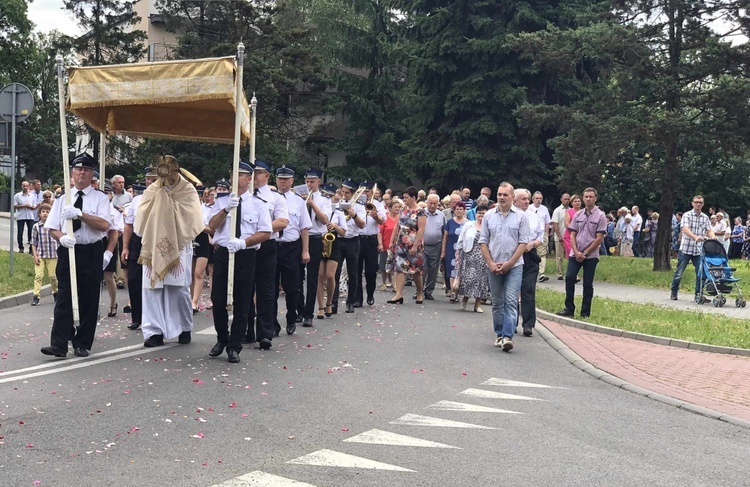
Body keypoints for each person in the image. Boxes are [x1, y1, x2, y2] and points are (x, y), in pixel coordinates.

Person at [41, 153, 111, 358]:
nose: (82, 172)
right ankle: (59, 344)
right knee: (64, 297)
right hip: (69, 250)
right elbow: (52, 227)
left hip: (91, 250)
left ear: (92, 175)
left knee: (89, 298)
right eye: (79, 169)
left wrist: (81, 215)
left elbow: (104, 225)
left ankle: (82, 343)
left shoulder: (100, 199)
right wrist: (62, 238)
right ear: (72, 173)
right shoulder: (64, 199)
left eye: (86, 170)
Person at [135, 156, 204, 348]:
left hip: (179, 246)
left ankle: (184, 327)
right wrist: (160, 200)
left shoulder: (187, 190)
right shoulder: (151, 190)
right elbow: (141, 217)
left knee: (178, 289)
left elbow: (194, 217)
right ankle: (154, 332)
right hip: (152, 245)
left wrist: (168, 204)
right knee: (152, 289)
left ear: (176, 171)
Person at [208, 161, 272, 363]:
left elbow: (265, 232)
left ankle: (234, 346)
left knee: (242, 301)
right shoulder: (221, 201)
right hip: (223, 253)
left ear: (248, 179)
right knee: (218, 300)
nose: (235, 179)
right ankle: (222, 339)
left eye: (240, 175)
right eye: (233, 174)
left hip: (245, 254)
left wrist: (244, 243)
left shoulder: (258, 204)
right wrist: (225, 210)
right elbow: (211, 226)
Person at [479, 182, 529, 352]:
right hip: (493, 266)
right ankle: (499, 333)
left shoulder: (521, 217)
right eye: (499, 194)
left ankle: (508, 336)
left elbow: (523, 243)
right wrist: (491, 263)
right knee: (497, 302)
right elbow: (483, 242)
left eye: (505, 195)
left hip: (514, 266)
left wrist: (509, 264)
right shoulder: (489, 216)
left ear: (512, 197)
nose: (501, 197)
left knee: (511, 300)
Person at [245, 160, 289, 349]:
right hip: (245, 246)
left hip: (266, 245)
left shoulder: (275, 198)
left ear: (267, 176)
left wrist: (260, 228)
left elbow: (283, 221)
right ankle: (245, 330)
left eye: (259, 172)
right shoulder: (243, 196)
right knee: (245, 289)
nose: (255, 176)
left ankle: (265, 333)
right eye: (252, 173)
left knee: (265, 290)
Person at [556, 188, 607, 318]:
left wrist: (585, 253)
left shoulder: (600, 216)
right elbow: (572, 233)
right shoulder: (578, 215)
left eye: (591, 197)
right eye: (586, 196)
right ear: (583, 198)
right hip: (575, 252)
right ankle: (569, 308)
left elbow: (599, 238)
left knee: (587, 284)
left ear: (595, 198)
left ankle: (585, 312)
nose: (588, 199)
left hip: (591, 255)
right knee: (570, 277)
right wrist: (576, 251)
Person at [274, 165, 311, 335]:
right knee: (270, 287)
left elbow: (304, 228)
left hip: (292, 247)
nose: (283, 182)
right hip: (273, 246)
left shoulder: (298, 201)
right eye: (280, 179)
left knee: (292, 287)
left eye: (286, 179)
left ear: (292, 181)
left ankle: (291, 317)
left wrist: (305, 250)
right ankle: (272, 322)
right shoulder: (270, 198)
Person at [122, 168, 158, 331]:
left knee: (154, 282)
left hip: (156, 241)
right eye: (148, 179)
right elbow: (128, 225)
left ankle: (154, 317)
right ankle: (137, 317)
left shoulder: (165, 198)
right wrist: (125, 247)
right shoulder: (137, 200)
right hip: (138, 240)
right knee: (135, 279)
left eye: (154, 179)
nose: (150, 182)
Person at [300, 168, 332, 326]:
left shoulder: (325, 200)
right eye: (306, 181)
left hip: (315, 238)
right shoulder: (297, 197)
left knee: (312, 277)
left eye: (312, 181)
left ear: (318, 182)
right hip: (298, 238)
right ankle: (298, 310)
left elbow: (325, 220)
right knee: (296, 277)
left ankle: (308, 314)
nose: (309, 184)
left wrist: (312, 204)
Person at [670, 195, 715, 301]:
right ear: (692, 203)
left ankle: (698, 295)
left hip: (698, 251)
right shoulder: (687, 215)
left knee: (701, 273)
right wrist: (695, 237)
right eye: (696, 202)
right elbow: (685, 229)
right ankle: (674, 292)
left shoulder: (705, 217)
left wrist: (713, 237)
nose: (698, 204)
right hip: (686, 249)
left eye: (700, 202)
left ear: (703, 204)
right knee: (679, 273)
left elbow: (709, 230)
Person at [332, 179, 366, 314]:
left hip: (352, 240)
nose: (344, 195)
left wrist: (354, 215)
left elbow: (362, 224)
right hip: (339, 240)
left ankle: (350, 302)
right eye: (343, 192)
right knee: (335, 272)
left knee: (353, 273)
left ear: (353, 193)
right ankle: (333, 303)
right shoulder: (339, 204)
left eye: (347, 193)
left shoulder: (359, 206)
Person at [387, 186, 427, 304]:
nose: (404, 200)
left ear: (413, 198)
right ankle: (398, 294)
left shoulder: (421, 212)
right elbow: (396, 226)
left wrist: (415, 246)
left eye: (406, 197)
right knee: (400, 268)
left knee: (415, 271)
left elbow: (421, 230)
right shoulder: (403, 210)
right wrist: (391, 241)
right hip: (401, 243)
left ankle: (420, 292)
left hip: (414, 244)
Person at [516, 189, 545, 337]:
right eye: (523, 199)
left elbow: (541, 237)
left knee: (528, 289)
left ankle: (528, 324)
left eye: (528, 199)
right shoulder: (510, 216)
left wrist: (532, 244)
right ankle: (511, 321)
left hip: (530, 255)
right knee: (512, 290)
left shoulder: (535, 217)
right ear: (514, 201)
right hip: (514, 255)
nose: (527, 202)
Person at [317, 183, 346, 319]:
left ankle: (329, 302)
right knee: (320, 275)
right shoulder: (320, 207)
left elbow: (344, 233)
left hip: (334, 242)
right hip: (321, 240)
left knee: (330, 275)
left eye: (331, 196)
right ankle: (321, 306)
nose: (329, 198)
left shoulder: (339, 212)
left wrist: (334, 225)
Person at [354, 181, 386, 307]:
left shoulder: (378, 203)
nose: (364, 194)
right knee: (356, 269)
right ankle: (358, 298)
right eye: (362, 191)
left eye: (366, 191)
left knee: (371, 271)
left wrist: (376, 216)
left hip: (371, 239)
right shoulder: (356, 202)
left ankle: (370, 293)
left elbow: (383, 221)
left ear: (371, 192)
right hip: (358, 238)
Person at [455, 204, 490, 312]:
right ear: (476, 214)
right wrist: (458, 252)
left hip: (482, 257)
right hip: (469, 255)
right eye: (479, 213)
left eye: (483, 214)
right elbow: (461, 239)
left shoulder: (489, 227)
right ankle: (464, 299)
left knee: (480, 281)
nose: (481, 215)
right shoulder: (468, 225)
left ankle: (477, 305)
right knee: (467, 279)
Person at [191, 187, 215, 313]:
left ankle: (195, 302)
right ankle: (190, 299)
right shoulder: (186, 207)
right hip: (189, 239)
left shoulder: (205, 209)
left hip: (202, 240)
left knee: (198, 273)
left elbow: (211, 228)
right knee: (190, 274)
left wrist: (199, 226)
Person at [102, 183, 124, 319]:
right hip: (96, 242)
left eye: (107, 193)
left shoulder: (116, 211)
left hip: (110, 241)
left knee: (108, 276)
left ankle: (112, 302)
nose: (105, 196)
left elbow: (119, 231)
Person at [30, 203, 58, 306]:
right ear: (39, 214)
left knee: (52, 276)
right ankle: (36, 296)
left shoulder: (54, 225)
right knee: (38, 276)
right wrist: (35, 256)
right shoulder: (36, 227)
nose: (45, 214)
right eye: (43, 212)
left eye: (47, 212)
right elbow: (33, 242)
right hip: (41, 255)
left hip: (53, 254)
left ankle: (55, 292)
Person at [422, 194, 446, 300]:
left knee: (433, 269)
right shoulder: (421, 213)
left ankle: (429, 291)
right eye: (430, 203)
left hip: (436, 245)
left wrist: (443, 250)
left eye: (435, 204)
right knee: (422, 268)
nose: (432, 206)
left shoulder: (441, 215)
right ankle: (419, 290)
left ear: (438, 204)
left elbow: (444, 232)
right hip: (422, 245)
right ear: (427, 202)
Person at [442, 201, 468, 301]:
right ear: (454, 210)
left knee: (460, 270)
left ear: (464, 211)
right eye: (457, 209)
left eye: (461, 209)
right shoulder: (450, 222)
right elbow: (445, 237)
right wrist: (443, 251)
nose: (459, 211)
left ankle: (458, 291)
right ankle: (453, 292)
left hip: (463, 250)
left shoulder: (468, 223)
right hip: (451, 249)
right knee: (451, 270)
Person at [379, 198, 401, 290]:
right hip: (386, 244)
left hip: (397, 245)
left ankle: (395, 284)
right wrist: (380, 243)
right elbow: (379, 232)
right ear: (390, 207)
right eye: (395, 207)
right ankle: (384, 283)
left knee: (396, 266)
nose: (397, 208)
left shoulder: (400, 217)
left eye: (399, 207)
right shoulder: (385, 217)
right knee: (384, 265)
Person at [530, 192, 551, 282]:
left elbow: (547, 222)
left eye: (540, 198)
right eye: (537, 198)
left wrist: (546, 233)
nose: (539, 200)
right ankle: (533, 270)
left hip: (542, 234)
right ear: (533, 199)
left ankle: (542, 273)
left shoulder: (544, 209)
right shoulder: (529, 208)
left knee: (542, 253)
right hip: (531, 234)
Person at [550, 193, 570, 279]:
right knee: (559, 256)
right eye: (565, 199)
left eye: (568, 199)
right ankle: (560, 273)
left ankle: (569, 272)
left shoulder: (570, 210)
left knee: (570, 255)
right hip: (559, 236)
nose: (567, 201)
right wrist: (559, 236)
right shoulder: (557, 210)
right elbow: (555, 224)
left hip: (569, 237)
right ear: (561, 199)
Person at [14, 180, 37, 253]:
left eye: (27, 186)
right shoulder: (17, 195)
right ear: (21, 186)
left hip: (30, 216)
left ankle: (31, 249)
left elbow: (34, 206)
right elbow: (15, 206)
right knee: (20, 232)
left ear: (29, 186)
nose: (25, 188)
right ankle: (21, 248)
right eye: (24, 186)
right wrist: (24, 205)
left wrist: (32, 207)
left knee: (31, 232)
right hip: (21, 216)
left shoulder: (32, 196)